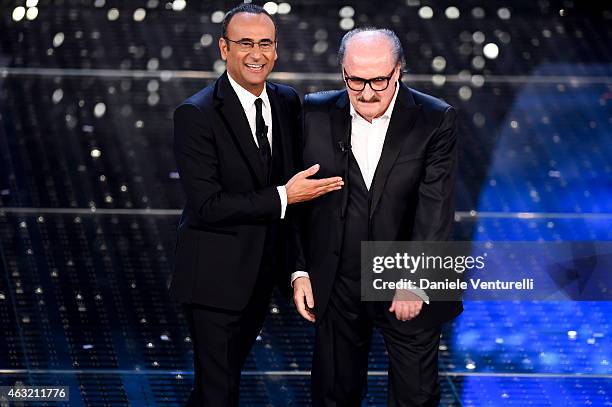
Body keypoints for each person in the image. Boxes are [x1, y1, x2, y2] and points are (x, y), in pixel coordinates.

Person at [169, 4, 343, 406]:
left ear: (276, 50)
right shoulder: (196, 114)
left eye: (265, 43)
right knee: (218, 392)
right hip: (212, 281)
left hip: (261, 280)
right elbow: (208, 205)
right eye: (245, 43)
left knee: (218, 386)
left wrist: (299, 270)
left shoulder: (286, 101)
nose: (256, 54)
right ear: (224, 48)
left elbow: (296, 198)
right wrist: (284, 196)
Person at [292, 27, 463, 406]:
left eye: (379, 81)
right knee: (333, 395)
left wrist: (416, 279)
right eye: (355, 81)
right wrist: (301, 270)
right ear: (342, 72)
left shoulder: (435, 119)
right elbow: (299, 203)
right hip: (337, 280)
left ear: (399, 70)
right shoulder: (314, 113)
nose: (367, 92)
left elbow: (436, 207)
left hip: (408, 275)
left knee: (415, 396)